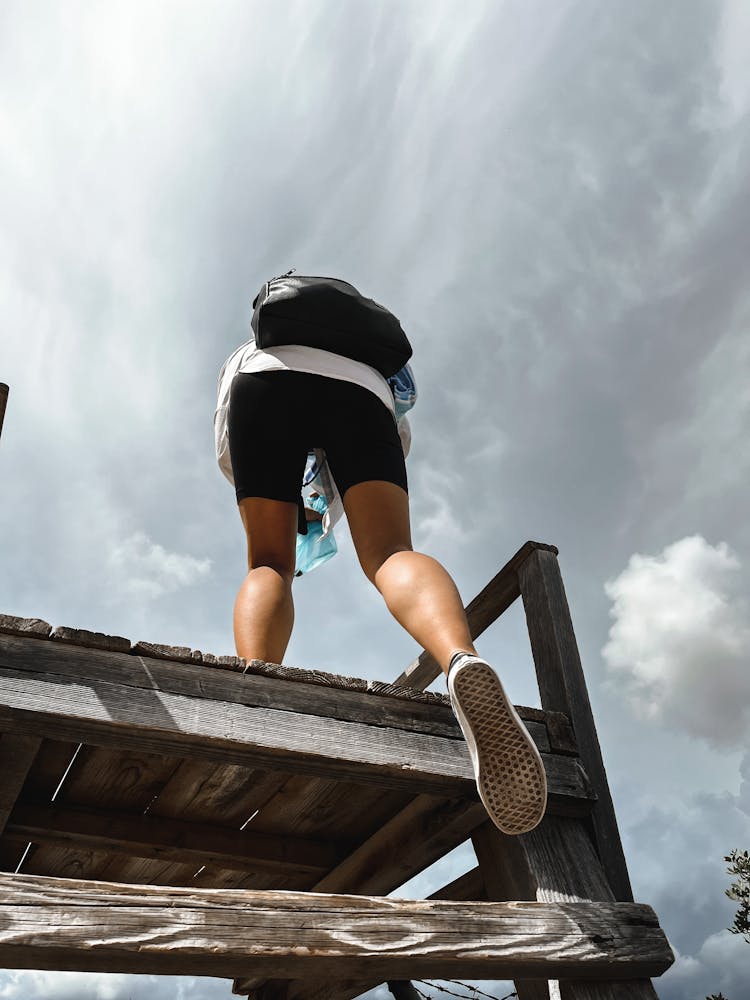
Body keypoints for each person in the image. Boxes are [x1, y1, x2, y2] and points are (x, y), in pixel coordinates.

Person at [214, 296, 547, 836]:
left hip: (263, 385)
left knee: (270, 563)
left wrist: (280, 497)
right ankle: (460, 659)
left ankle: (258, 697)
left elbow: (230, 444)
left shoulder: (249, 354)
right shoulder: (363, 358)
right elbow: (398, 437)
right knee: (392, 552)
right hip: (365, 392)